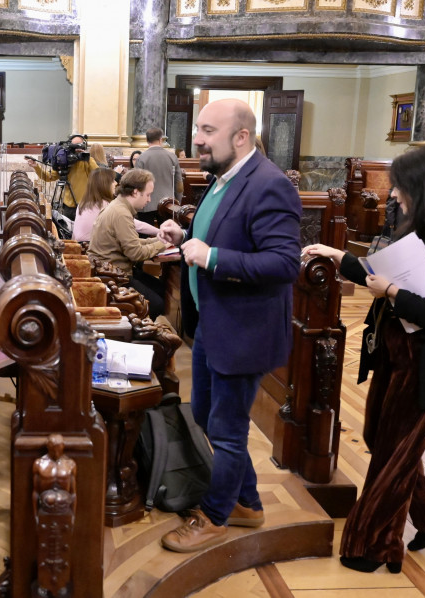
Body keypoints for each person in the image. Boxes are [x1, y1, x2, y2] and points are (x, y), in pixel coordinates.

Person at [304, 145, 425, 573]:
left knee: (393, 454)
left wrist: (392, 293)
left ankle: (374, 546)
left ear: (424, 187)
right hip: (397, 356)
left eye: (401, 185)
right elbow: (391, 272)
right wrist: (340, 258)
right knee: (379, 439)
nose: (393, 193)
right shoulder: (424, 227)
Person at [157, 99, 301, 553]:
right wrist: (185, 237)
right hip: (213, 327)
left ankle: (217, 517)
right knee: (205, 415)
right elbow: (220, 232)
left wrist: (212, 257)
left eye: (207, 130)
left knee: (227, 430)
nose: (196, 138)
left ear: (241, 136)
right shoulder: (223, 178)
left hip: (244, 331)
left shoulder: (269, 184)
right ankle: (249, 502)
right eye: (198, 128)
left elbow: (283, 263)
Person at [87, 168, 167, 318]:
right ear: (135, 192)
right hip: (114, 277)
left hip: (114, 270)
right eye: (148, 195)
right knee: (157, 305)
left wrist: (159, 239)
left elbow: (132, 242)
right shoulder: (121, 213)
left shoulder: (119, 206)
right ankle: (138, 334)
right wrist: (163, 244)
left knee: (161, 289)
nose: (149, 200)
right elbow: (135, 253)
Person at [72, 167, 159, 243]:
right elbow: (135, 224)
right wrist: (158, 232)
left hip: (79, 246)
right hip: (89, 248)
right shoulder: (104, 205)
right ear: (104, 184)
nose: (115, 183)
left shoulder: (83, 203)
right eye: (112, 181)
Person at [25, 134, 99, 222]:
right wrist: (36, 166)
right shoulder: (64, 160)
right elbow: (49, 177)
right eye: (74, 146)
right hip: (67, 206)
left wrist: (86, 158)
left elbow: (99, 176)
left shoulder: (87, 160)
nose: (76, 149)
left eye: (79, 145)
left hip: (84, 205)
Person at [135, 127, 183, 228]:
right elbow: (179, 182)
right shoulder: (172, 157)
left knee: (145, 236)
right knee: (168, 236)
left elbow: (136, 182)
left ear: (147, 140)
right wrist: (177, 201)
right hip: (168, 204)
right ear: (161, 139)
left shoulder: (142, 158)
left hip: (145, 204)